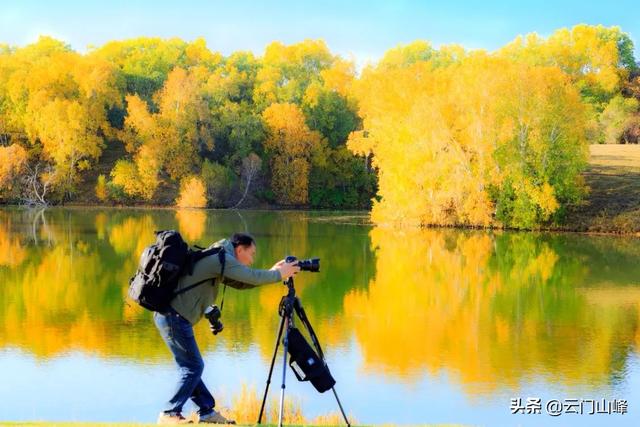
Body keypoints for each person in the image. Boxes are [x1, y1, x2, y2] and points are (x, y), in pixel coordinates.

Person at [154, 233, 300, 425]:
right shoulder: (220, 258)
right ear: (240, 249)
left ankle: (206, 412)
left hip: (172, 316)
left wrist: (273, 271)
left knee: (190, 366)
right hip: (174, 317)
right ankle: (169, 413)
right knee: (193, 366)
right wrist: (279, 274)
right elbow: (251, 277)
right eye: (252, 254)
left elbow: (243, 283)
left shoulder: (221, 257)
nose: (252, 259)